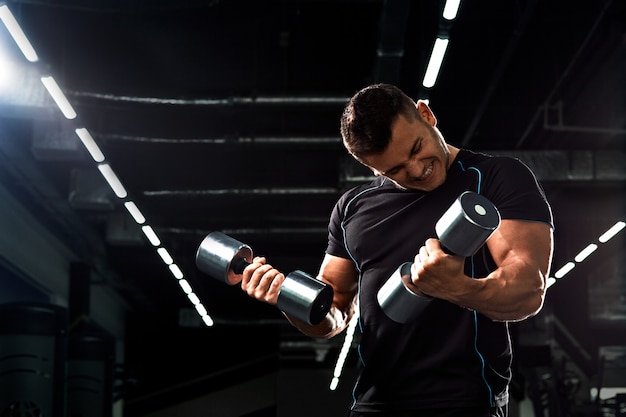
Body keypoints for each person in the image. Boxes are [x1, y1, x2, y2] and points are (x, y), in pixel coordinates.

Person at [240, 83, 554, 417]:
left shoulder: (495, 178)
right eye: (395, 170)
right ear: (370, 166)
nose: (417, 170)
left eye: (417, 148)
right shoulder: (352, 208)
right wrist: (288, 298)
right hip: (375, 403)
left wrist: (458, 287)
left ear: (425, 114)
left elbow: (528, 290)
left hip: (465, 402)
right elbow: (334, 313)